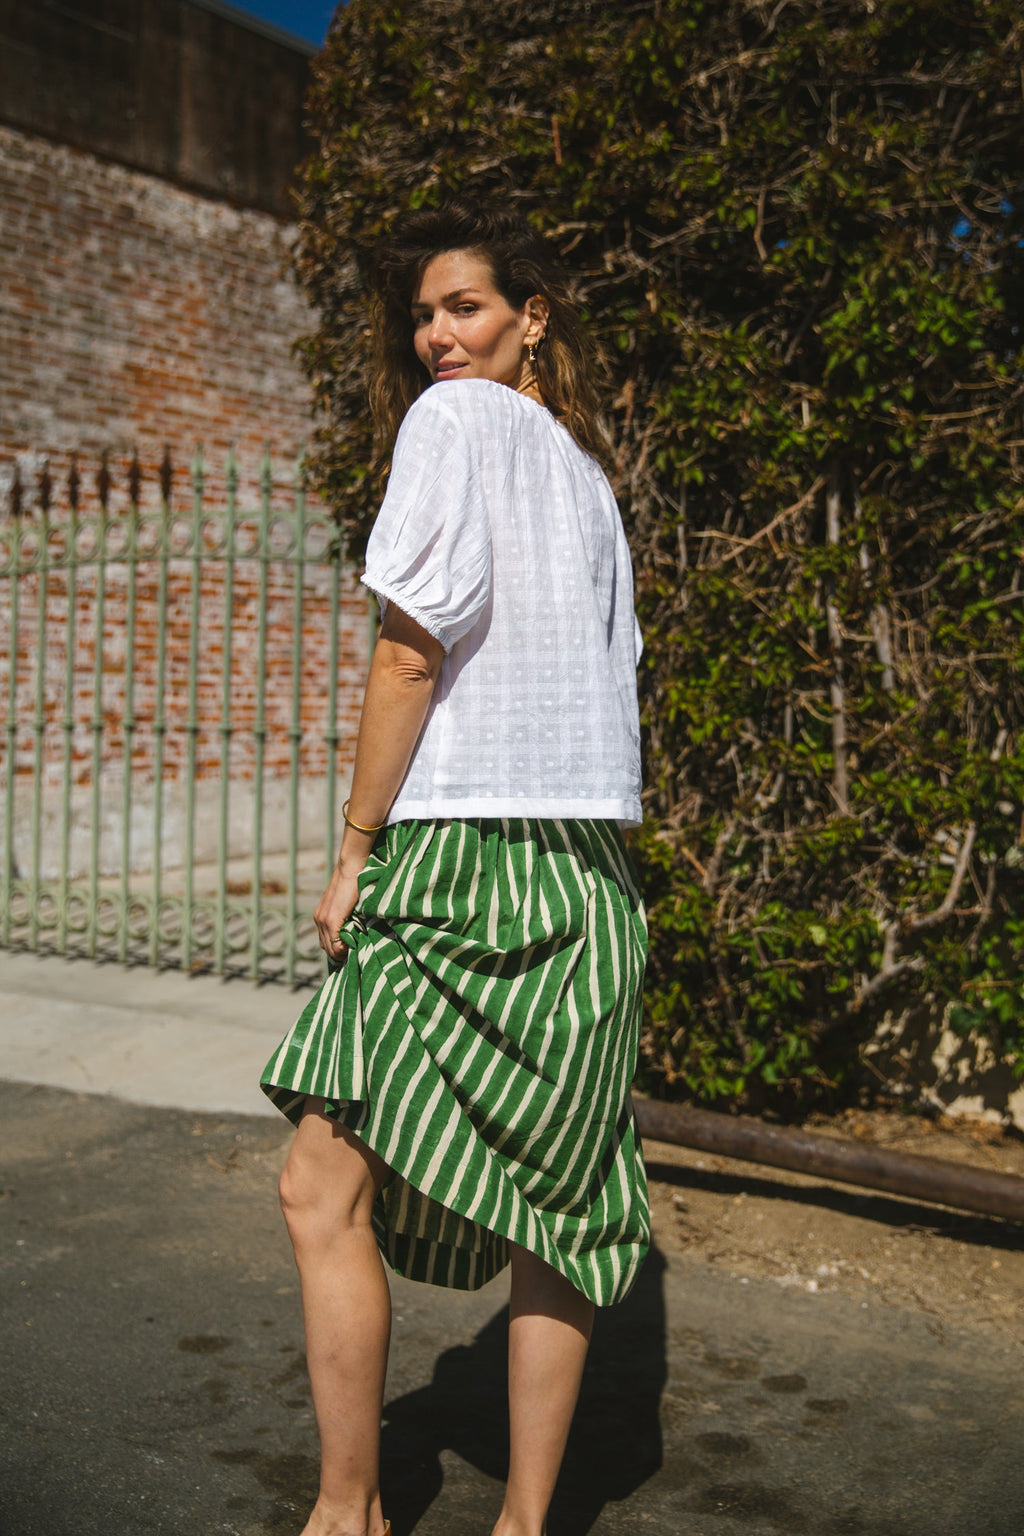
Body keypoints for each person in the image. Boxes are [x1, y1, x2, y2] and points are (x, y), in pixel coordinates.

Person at [261, 197, 649, 1536]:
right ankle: (525, 1526)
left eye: (464, 307)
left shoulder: (452, 426)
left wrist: (354, 846)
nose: (436, 334)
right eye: (424, 313)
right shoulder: (590, 483)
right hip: (588, 880)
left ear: (531, 317)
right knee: (562, 1214)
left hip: (460, 859)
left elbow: (409, 652)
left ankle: (345, 1512)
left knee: (322, 1181)